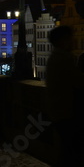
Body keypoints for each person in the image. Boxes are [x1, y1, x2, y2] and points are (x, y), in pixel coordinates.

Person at [46, 26, 84, 166]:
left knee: (67, 151)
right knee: (71, 153)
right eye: (70, 38)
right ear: (63, 40)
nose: (73, 41)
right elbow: (79, 82)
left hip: (57, 113)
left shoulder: (54, 57)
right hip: (67, 113)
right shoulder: (64, 58)